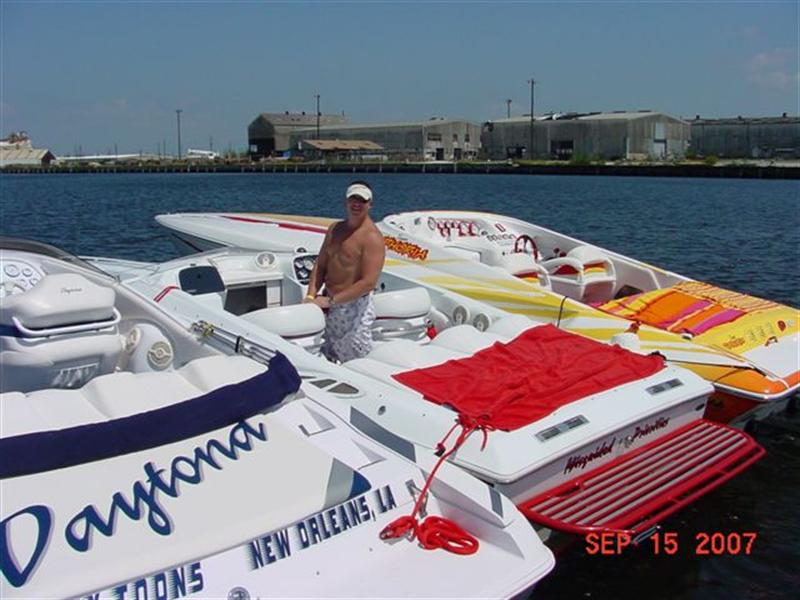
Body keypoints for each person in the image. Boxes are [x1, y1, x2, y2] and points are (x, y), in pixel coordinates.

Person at [304, 181, 386, 362]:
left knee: (356, 362)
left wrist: (331, 301)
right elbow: (321, 264)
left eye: (362, 201)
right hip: (328, 305)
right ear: (346, 201)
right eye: (353, 199)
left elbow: (368, 283)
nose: (356, 204)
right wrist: (310, 296)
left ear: (370, 205)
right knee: (327, 356)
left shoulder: (372, 238)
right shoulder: (335, 229)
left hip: (354, 309)